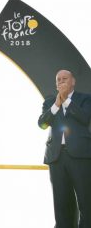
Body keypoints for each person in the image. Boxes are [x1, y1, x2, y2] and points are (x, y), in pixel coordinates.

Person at [38, 69, 91, 228]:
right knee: (61, 205)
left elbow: (84, 118)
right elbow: (42, 124)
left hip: (80, 156)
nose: (61, 81)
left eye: (65, 78)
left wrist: (66, 101)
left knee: (86, 203)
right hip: (56, 158)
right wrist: (57, 104)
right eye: (58, 79)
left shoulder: (85, 99)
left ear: (73, 81)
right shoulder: (49, 102)